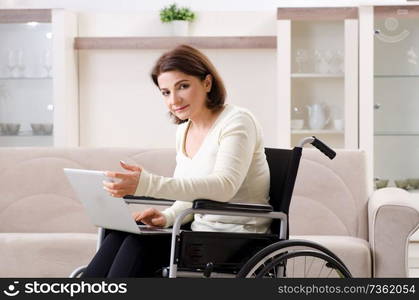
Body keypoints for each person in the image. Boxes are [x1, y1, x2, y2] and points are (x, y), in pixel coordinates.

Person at [82, 44, 270, 278]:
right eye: (166, 92)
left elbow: (223, 187)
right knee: (119, 233)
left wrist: (147, 184)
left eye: (183, 86)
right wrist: (168, 217)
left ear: (207, 83)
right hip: (197, 233)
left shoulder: (237, 121)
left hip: (237, 238)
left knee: (137, 244)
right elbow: (192, 193)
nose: (174, 99)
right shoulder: (184, 130)